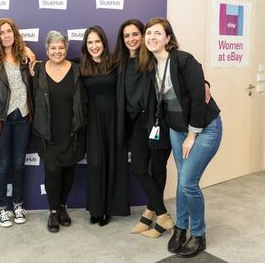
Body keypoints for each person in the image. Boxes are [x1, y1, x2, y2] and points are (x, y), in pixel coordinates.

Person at [139, 17, 222, 257]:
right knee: (181, 181)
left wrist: (192, 135)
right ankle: (181, 228)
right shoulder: (150, 65)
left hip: (204, 128)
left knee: (188, 182)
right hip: (177, 128)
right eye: (148, 34)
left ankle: (198, 234)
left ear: (167, 38)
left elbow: (198, 99)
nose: (151, 37)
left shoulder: (184, 60)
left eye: (157, 33)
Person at [113, 19, 173, 237]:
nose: (131, 39)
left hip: (158, 122)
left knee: (158, 169)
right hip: (137, 124)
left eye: (135, 34)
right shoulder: (119, 62)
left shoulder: (153, 58)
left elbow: (178, 69)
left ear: (143, 35)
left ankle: (151, 215)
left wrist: (205, 84)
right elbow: (90, 61)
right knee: (138, 168)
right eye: (127, 35)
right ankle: (163, 215)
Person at [32, 31, 87, 233]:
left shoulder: (76, 69)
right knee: (52, 171)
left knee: (69, 170)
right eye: (53, 48)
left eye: (61, 47)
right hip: (48, 131)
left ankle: (63, 206)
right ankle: (53, 211)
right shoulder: (37, 69)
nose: (57, 51)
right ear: (47, 50)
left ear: (66, 49)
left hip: (72, 130)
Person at [80, 26, 130, 226]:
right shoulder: (80, 64)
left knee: (113, 161)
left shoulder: (116, 63)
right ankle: (96, 208)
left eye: (97, 41)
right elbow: (55, 63)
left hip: (114, 117)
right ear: (86, 45)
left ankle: (109, 209)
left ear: (104, 43)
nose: (94, 46)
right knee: (96, 163)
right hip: (93, 120)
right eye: (90, 42)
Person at [0, 18, 32, 227]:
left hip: (23, 118)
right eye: (1, 33)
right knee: (3, 165)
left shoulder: (24, 57)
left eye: (9, 31)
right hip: (2, 119)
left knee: (18, 163)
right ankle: (2, 208)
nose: (6, 35)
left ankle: (17, 205)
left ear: (14, 34)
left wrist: (28, 50)